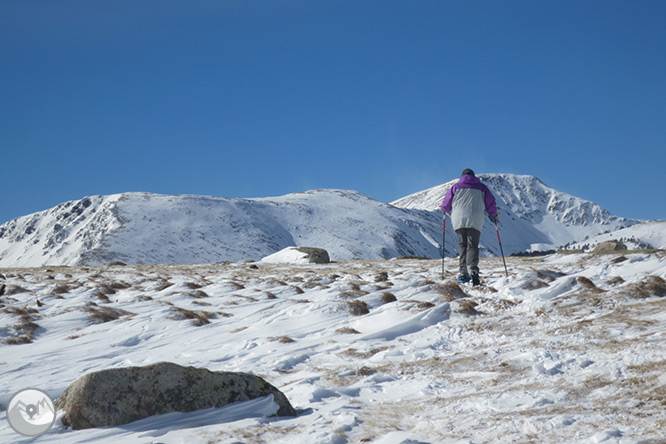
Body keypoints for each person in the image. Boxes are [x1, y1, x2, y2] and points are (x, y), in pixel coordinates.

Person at [441, 169, 498, 286]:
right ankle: (473, 270)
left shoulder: (455, 187)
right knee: (472, 245)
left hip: (459, 219)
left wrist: (443, 208)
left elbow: (446, 204)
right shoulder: (482, 188)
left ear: (462, 176)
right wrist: (494, 214)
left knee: (462, 244)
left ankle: (463, 272)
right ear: (473, 176)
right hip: (475, 219)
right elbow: (490, 202)